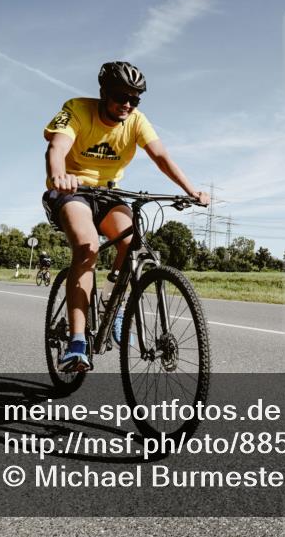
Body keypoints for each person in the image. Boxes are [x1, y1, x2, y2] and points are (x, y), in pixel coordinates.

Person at [42, 61, 209, 372]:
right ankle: (77, 341)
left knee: (132, 242)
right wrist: (59, 175)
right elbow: (56, 147)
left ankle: (112, 303)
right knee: (88, 247)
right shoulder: (77, 109)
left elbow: (160, 156)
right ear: (104, 93)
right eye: (121, 97)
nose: (128, 105)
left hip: (108, 194)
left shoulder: (136, 121)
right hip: (73, 190)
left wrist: (191, 190)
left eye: (135, 99)